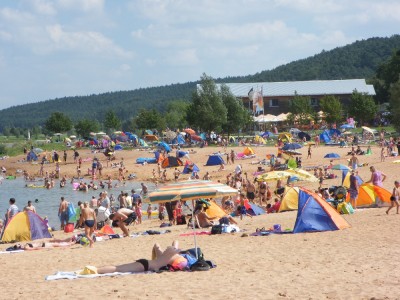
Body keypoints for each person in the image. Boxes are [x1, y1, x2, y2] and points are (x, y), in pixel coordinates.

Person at [82, 241, 187, 274]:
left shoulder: (168, 255)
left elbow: (173, 242)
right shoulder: (171, 257)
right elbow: (175, 243)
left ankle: (96, 270)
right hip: (145, 265)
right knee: (117, 268)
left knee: (117, 268)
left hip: (146, 264)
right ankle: (95, 270)